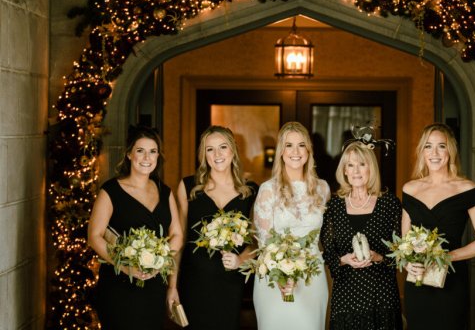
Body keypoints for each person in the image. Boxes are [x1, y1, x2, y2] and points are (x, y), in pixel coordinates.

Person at [88, 125, 183, 329]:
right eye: (140, 151)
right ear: (129, 154)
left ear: (158, 156)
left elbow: (177, 235)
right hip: (118, 287)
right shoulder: (110, 191)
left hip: (154, 287)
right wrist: (124, 266)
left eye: (153, 151)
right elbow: (94, 236)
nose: (146, 157)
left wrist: (159, 260)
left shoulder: (165, 192)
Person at [401, 123, 475, 330]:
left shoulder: (466, 188)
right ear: (422, 151)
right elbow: (404, 241)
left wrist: (447, 257)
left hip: (452, 283)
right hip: (417, 284)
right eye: (428, 146)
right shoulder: (410, 189)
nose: (434, 153)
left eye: (441, 146)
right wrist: (408, 264)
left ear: (450, 150)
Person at [169, 125, 258, 330]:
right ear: (203, 154)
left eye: (223, 147)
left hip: (230, 285)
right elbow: (178, 239)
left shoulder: (250, 191)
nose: (217, 154)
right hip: (194, 283)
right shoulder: (189, 186)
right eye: (210, 149)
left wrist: (240, 260)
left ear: (233, 150)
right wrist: (172, 287)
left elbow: (256, 242)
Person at [252, 121, 330, 330]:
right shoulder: (268, 190)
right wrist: (281, 275)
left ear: (309, 150)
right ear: (280, 151)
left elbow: (328, 236)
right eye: (289, 145)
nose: (295, 151)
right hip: (275, 278)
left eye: (301, 145)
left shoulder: (323, 188)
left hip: (312, 278)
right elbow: (264, 242)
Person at [321, 140, 403, 329]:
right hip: (346, 296)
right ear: (345, 171)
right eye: (350, 165)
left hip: (381, 295)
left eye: (362, 164)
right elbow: (328, 251)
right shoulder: (334, 207)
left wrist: (378, 257)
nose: (356, 171)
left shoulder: (389, 204)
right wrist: (344, 260)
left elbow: (401, 254)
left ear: (371, 169)